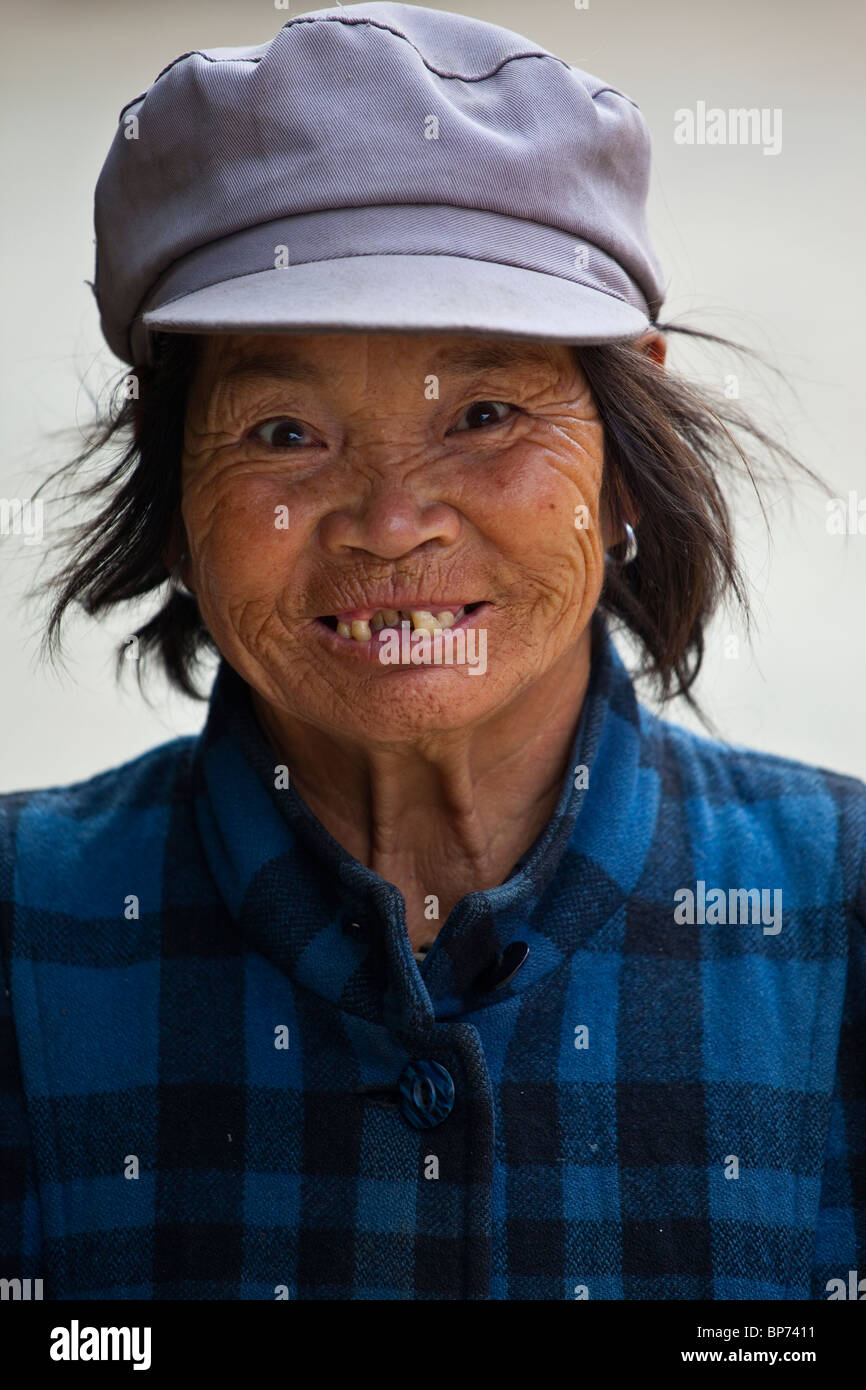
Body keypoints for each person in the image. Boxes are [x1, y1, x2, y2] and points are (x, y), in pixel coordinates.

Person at [1, 2, 863, 1301]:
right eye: (284, 431)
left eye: (484, 412)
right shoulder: (25, 929)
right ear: (172, 488)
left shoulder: (840, 909)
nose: (392, 522)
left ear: (621, 469)